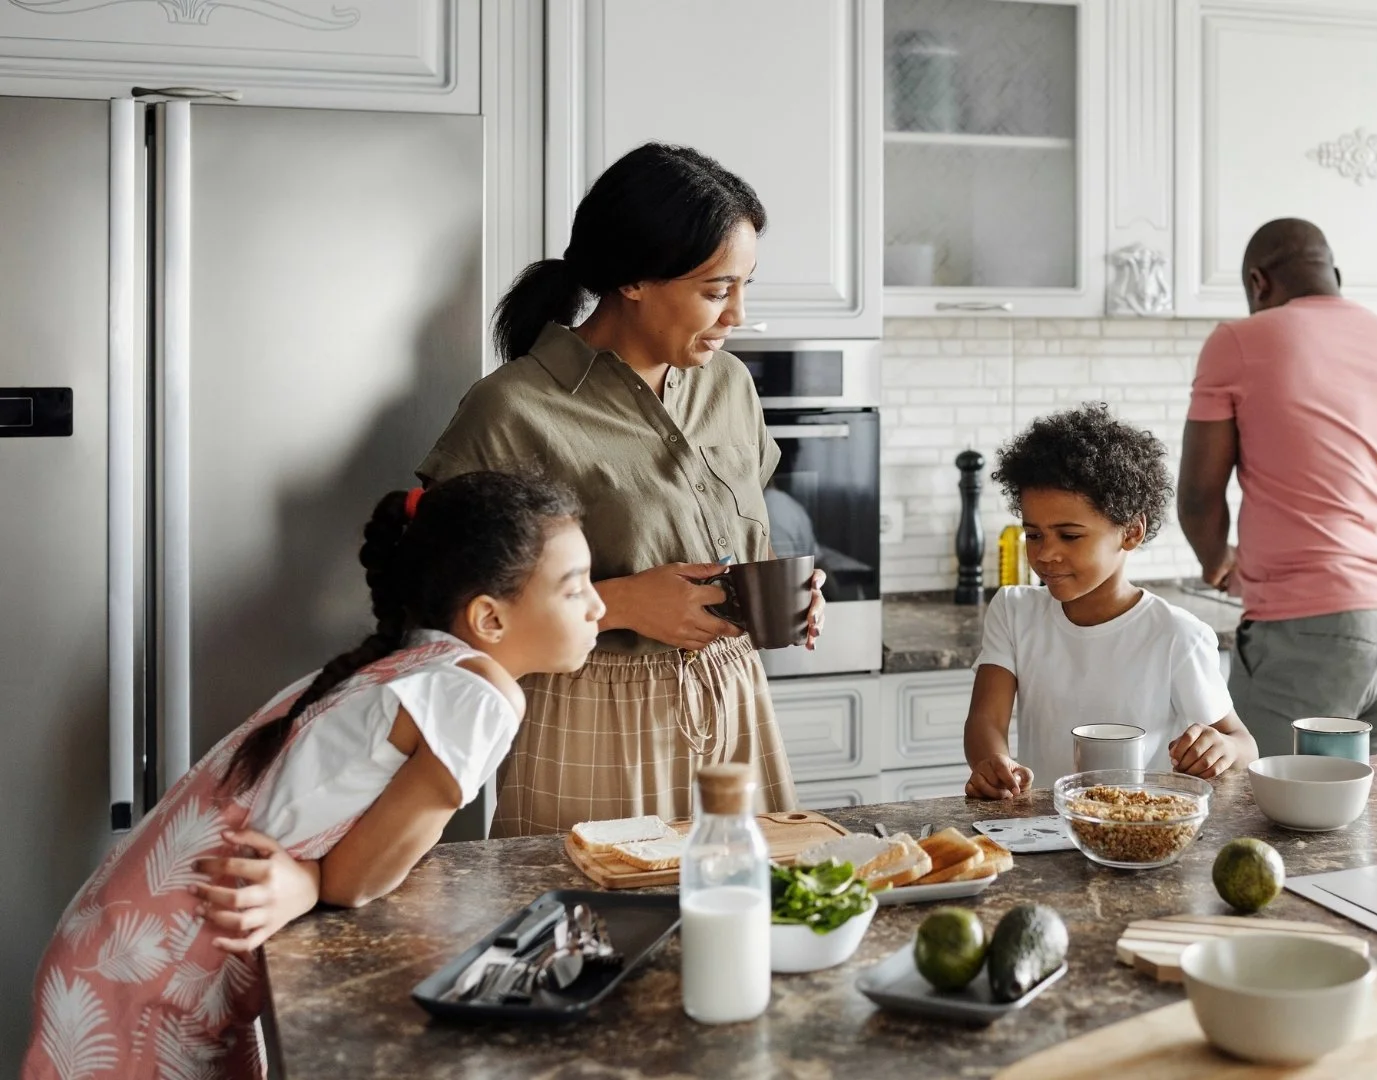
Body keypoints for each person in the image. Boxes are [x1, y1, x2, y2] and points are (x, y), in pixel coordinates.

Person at [21, 472, 601, 1079]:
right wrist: (312, 879)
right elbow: (356, 881)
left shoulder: (411, 662)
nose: (599, 606)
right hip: (144, 985)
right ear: (489, 618)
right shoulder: (479, 696)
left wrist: (307, 877)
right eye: (574, 588)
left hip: (121, 949)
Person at [418, 143, 821, 836]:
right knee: (595, 930)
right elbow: (443, 614)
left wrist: (783, 596)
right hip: (587, 714)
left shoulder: (730, 387)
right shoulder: (513, 409)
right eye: (717, 290)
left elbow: (739, 533)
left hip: (736, 701)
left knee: (752, 922)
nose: (738, 316)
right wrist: (620, 605)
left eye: (744, 287)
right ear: (633, 279)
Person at [1178, 218, 1377, 756]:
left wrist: (1217, 560)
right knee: (1375, 817)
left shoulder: (1239, 341)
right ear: (1333, 273)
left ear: (1258, 283)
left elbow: (1198, 494)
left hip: (1309, 627)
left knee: (1257, 810)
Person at [962, 405, 1258, 798]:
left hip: (1139, 830)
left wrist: (1222, 748)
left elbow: (1242, 742)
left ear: (1131, 533)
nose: (1046, 554)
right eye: (1034, 535)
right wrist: (992, 762)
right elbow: (985, 720)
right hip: (1043, 826)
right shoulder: (1014, 611)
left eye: (1069, 536)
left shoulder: (1176, 635)